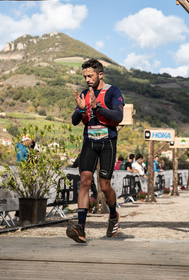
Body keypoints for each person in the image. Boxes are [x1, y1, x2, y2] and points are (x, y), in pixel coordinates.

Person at [66, 58, 124, 243]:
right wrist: (82, 110)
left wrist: (97, 106)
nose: (87, 80)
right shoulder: (84, 93)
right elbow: (75, 120)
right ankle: (81, 228)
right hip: (89, 141)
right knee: (84, 180)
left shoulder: (113, 91)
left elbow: (119, 115)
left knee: (104, 186)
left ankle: (113, 214)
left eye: (90, 76)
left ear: (100, 74)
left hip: (107, 142)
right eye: (85, 76)